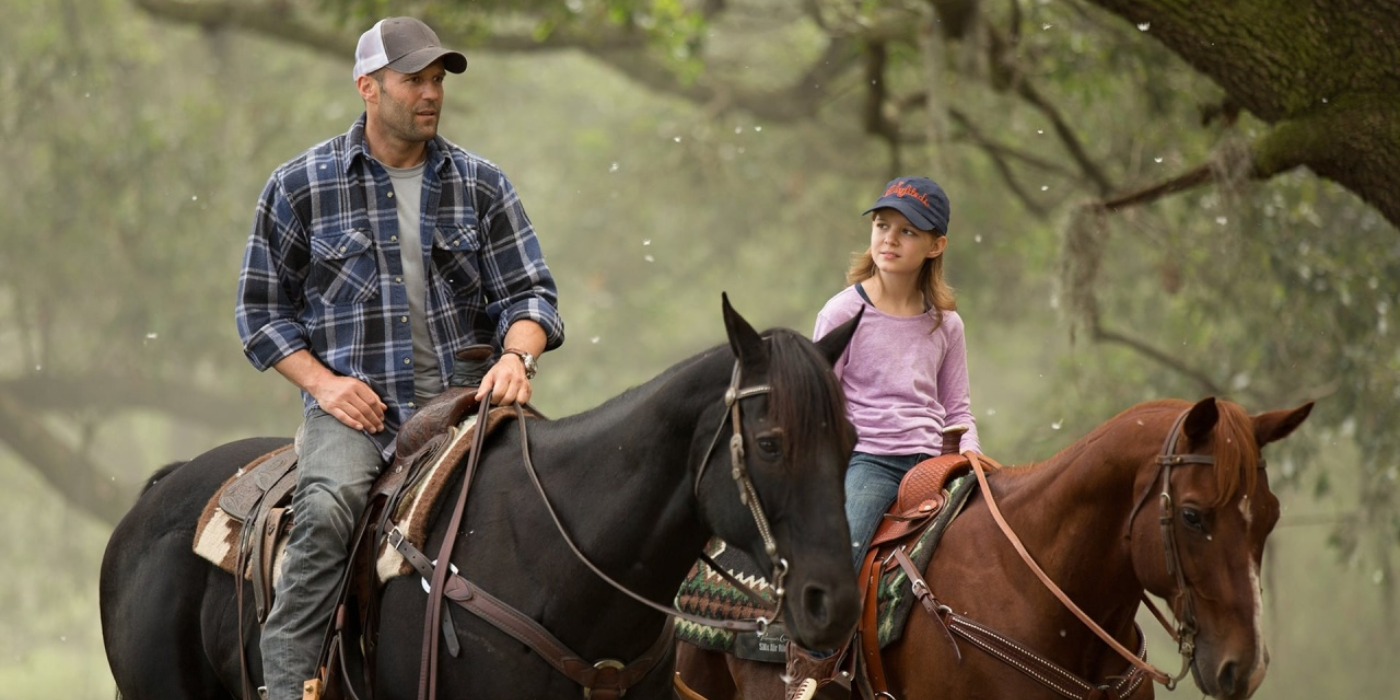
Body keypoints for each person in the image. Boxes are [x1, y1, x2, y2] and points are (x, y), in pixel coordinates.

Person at [235, 17, 564, 700]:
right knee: (327, 514)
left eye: (438, 79)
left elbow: (532, 295)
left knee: (558, 502)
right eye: (414, 78)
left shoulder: (482, 183)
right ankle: (287, 686)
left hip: (469, 405)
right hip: (357, 416)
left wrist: (515, 359)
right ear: (368, 87)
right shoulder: (299, 185)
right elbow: (261, 315)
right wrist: (325, 387)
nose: (431, 93)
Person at [789, 176, 981, 700]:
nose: (889, 239)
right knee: (844, 554)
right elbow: (818, 404)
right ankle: (814, 673)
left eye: (907, 231)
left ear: (936, 245)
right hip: (869, 461)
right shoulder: (843, 312)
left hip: (934, 462)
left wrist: (976, 459)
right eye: (881, 226)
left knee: (988, 548)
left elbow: (957, 408)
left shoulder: (946, 323)